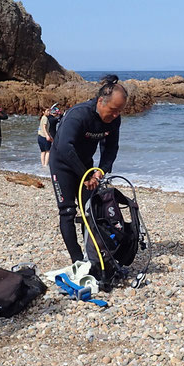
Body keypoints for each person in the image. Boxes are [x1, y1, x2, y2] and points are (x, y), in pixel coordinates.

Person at [48, 75, 127, 262]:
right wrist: (86, 174)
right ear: (101, 101)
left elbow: (111, 148)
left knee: (89, 211)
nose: (116, 115)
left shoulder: (114, 120)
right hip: (63, 164)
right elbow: (65, 147)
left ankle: (92, 254)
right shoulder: (79, 115)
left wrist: (100, 171)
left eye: (120, 111)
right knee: (68, 211)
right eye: (113, 110)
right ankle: (77, 260)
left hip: (86, 165)